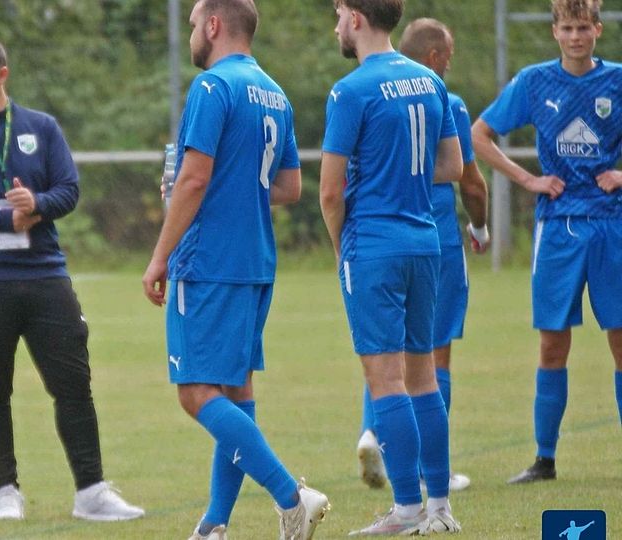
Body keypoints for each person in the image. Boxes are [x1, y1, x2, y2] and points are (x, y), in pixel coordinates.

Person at [0, 36, 144, 522]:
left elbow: (69, 190)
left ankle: (92, 492)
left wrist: (37, 205)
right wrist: (2, 219)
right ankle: (6, 492)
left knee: (73, 383)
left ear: (2, 74)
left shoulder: (41, 129)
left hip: (45, 277)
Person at [142, 1, 330, 539]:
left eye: (197, 23)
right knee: (234, 393)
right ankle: (214, 526)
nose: (195, 33)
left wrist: (159, 256)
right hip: (255, 262)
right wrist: (235, 189)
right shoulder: (274, 92)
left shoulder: (211, 88)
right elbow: (290, 187)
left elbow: (194, 179)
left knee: (195, 393)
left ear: (215, 25)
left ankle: (293, 498)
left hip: (208, 262)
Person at [319, 0, 464, 534]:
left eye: (338, 14)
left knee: (385, 380)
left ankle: (405, 509)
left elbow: (330, 192)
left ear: (356, 17)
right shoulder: (429, 81)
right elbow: (452, 164)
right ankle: (440, 507)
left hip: (374, 246)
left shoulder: (350, 90)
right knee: (423, 374)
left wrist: (341, 248)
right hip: (426, 241)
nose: (336, 25)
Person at [471, 0, 622, 484]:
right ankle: (544, 459)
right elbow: (480, 134)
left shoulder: (616, 81)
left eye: (584, 27)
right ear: (555, 33)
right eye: (567, 27)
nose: (576, 36)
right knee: (553, 346)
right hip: (558, 228)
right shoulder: (535, 82)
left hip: (611, 225)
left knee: (621, 341)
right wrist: (528, 179)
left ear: (597, 30)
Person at [355, 17, 490, 494]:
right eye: (447, 57)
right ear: (433, 58)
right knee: (434, 358)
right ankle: (435, 469)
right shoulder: (443, 98)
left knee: (382, 354)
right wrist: (480, 225)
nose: (449, 65)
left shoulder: (364, 91)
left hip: (375, 238)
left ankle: (374, 431)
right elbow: (469, 178)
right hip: (433, 241)